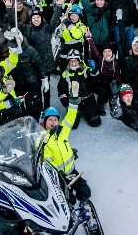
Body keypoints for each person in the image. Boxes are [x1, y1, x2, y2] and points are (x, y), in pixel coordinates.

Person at [40, 87, 98, 231]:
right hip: (57, 176)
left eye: (55, 119)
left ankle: (86, 211)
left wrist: (73, 103)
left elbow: (70, 117)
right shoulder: (41, 138)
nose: (52, 122)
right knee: (68, 200)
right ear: (45, 122)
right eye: (50, 120)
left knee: (85, 192)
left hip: (71, 171)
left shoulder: (62, 131)